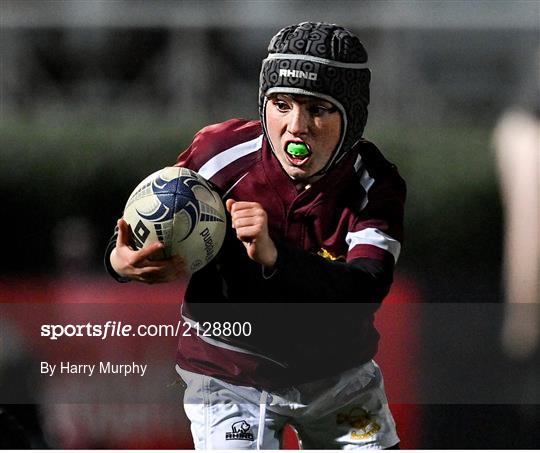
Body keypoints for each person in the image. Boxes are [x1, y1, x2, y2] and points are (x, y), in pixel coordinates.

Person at [105, 22, 405, 449]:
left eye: (318, 108)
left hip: (338, 379)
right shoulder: (219, 154)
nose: (296, 127)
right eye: (281, 104)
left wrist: (275, 257)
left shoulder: (375, 185)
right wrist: (121, 263)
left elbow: (365, 290)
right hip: (230, 374)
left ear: (352, 117)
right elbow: (142, 228)